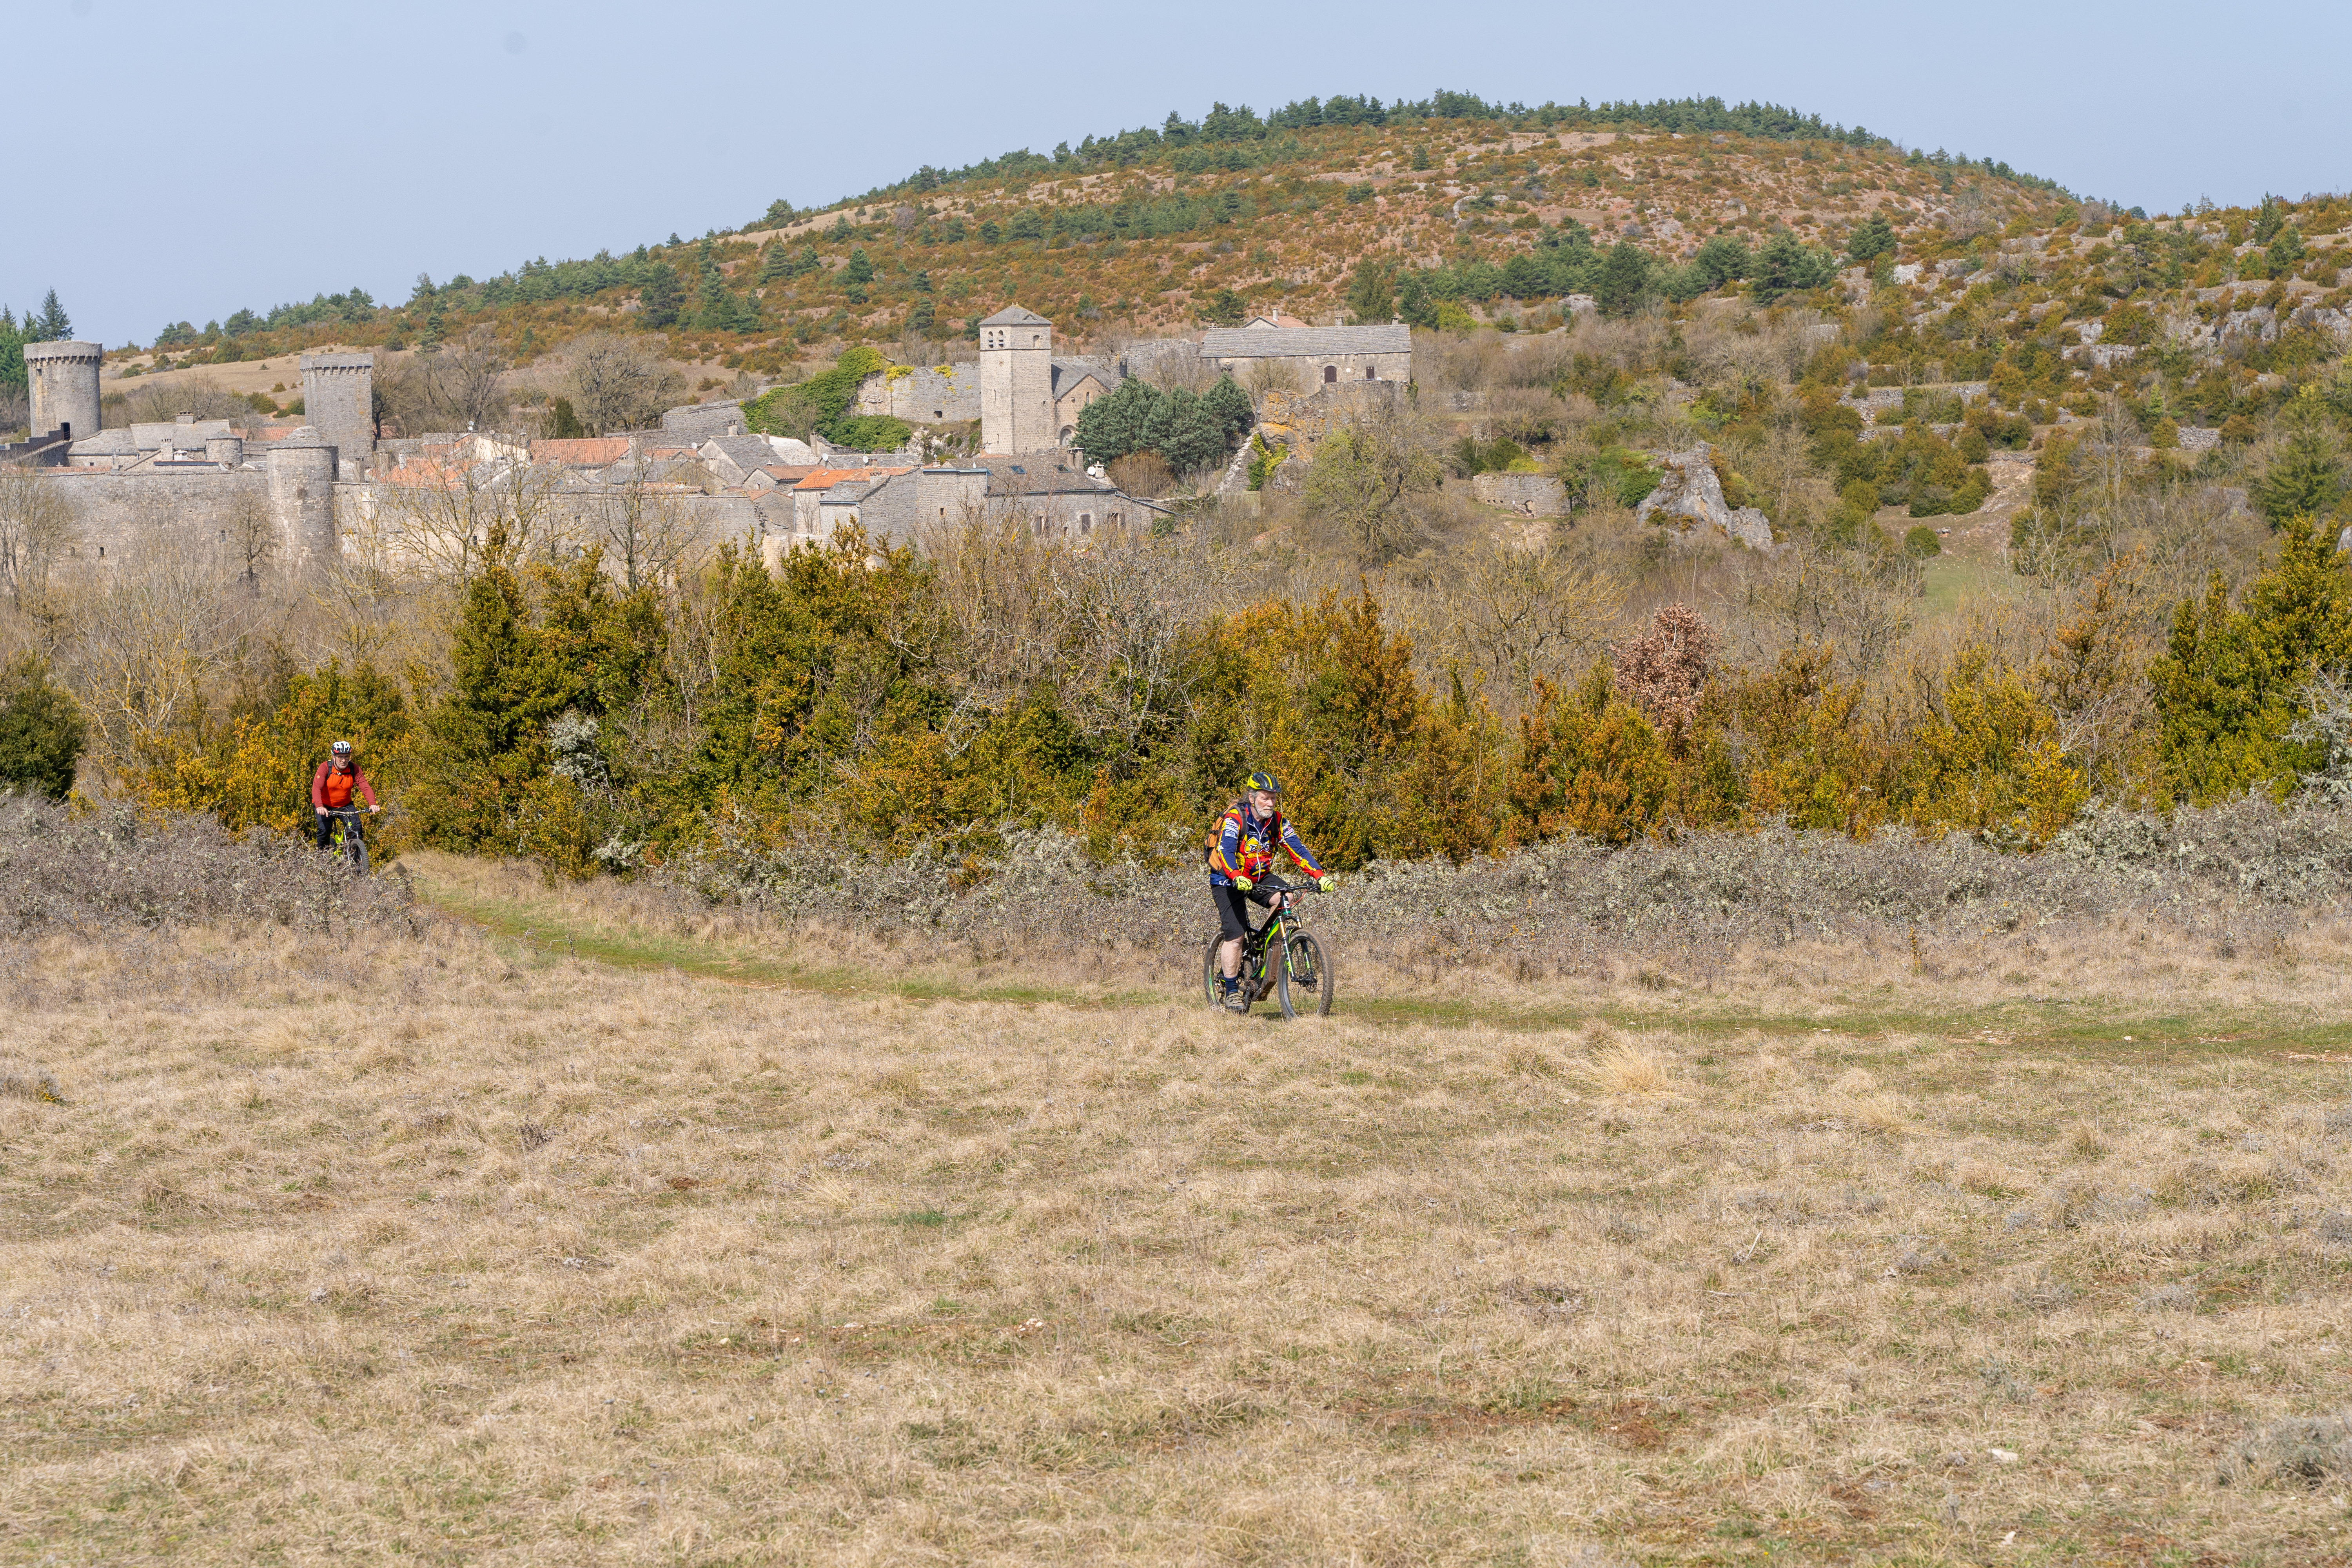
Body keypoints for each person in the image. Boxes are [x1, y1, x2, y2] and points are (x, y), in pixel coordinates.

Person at [1207, 771, 1331, 1012]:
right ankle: (1232, 990)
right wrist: (1235, 876)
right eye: (1266, 797)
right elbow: (1225, 850)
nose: (1271, 803)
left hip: (1259, 876)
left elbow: (1299, 850)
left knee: (1287, 897)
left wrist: (1320, 875)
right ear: (1252, 798)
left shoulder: (1278, 822)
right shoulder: (1236, 818)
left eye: (1274, 798)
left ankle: (1267, 947)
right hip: (1227, 878)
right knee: (1236, 934)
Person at [312, 739, 379, 851]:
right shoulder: (325, 768)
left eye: (347, 757)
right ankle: (321, 858)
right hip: (324, 806)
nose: (344, 760)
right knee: (325, 830)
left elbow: (365, 786)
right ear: (333, 757)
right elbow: (316, 787)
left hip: (345, 805)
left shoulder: (354, 769)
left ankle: (356, 861)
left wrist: (373, 804)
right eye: (340, 757)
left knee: (356, 828)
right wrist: (319, 805)